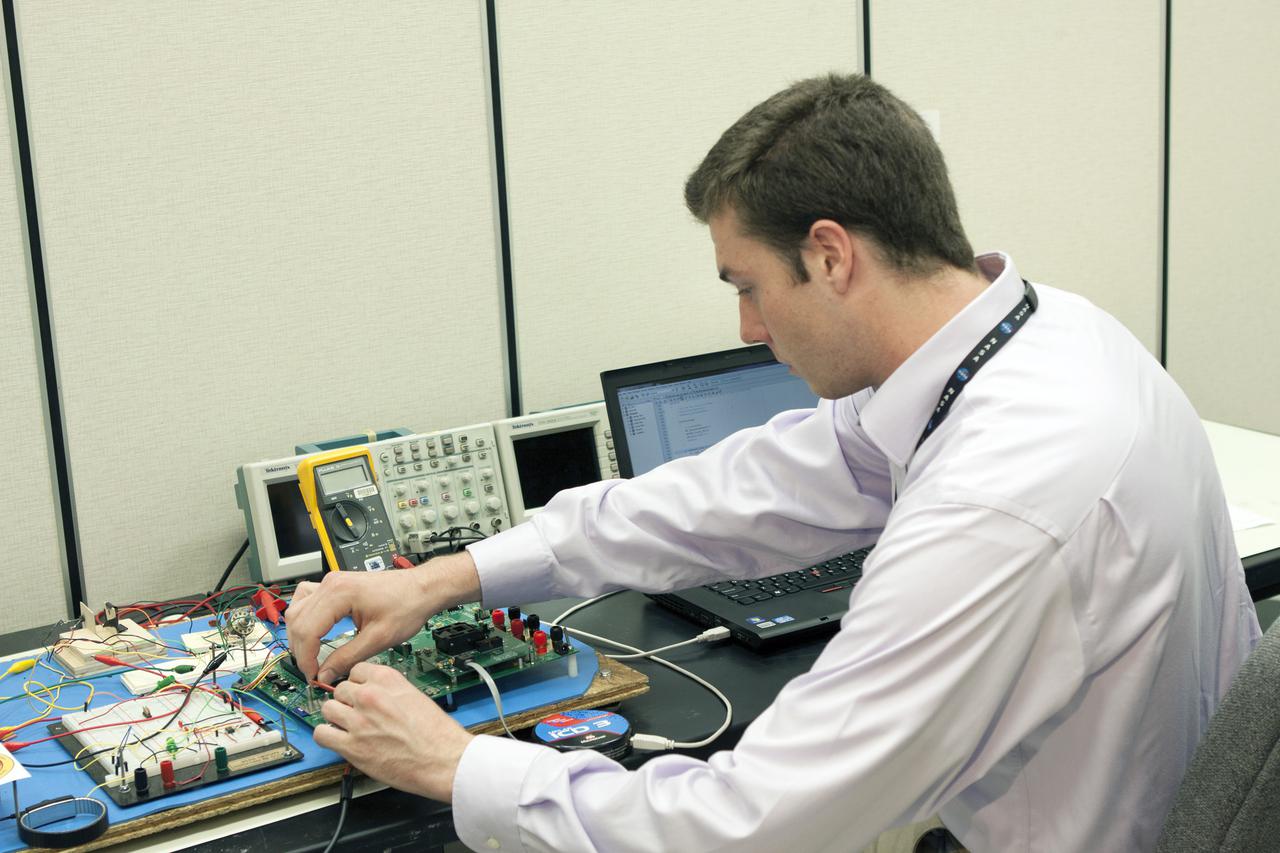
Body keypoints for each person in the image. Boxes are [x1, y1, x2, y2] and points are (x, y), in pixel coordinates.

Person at [286, 73, 1259, 852]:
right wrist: (451, 575)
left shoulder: (999, 498)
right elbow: (747, 490)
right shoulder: (1034, 336)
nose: (748, 329)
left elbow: (755, 822)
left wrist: (461, 767)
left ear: (830, 257)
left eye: (747, 286)